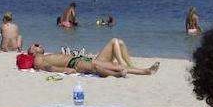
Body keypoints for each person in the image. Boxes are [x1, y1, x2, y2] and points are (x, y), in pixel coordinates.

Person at [25, 39, 160, 77]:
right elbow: (47, 68)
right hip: (75, 64)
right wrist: (64, 70)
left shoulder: (47, 55)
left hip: (83, 59)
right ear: (31, 52)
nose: (38, 44)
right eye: (35, 45)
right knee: (97, 67)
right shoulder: (37, 59)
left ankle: (131, 67)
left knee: (116, 41)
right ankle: (143, 71)